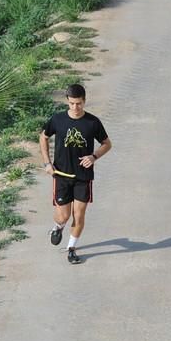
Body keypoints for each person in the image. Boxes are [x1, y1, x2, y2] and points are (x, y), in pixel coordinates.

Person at [39, 84, 112, 264]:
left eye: (78, 103)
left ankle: (71, 249)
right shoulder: (57, 120)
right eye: (71, 103)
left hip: (83, 177)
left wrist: (94, 156)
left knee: (78, 216)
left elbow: (107, 144)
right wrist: (47, 163)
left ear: (84, 101)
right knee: (63, 216)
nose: (75, 107)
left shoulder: (92, 122)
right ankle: (58, 227)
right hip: (61, 175)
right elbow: (43, 137)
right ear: (67, 101)